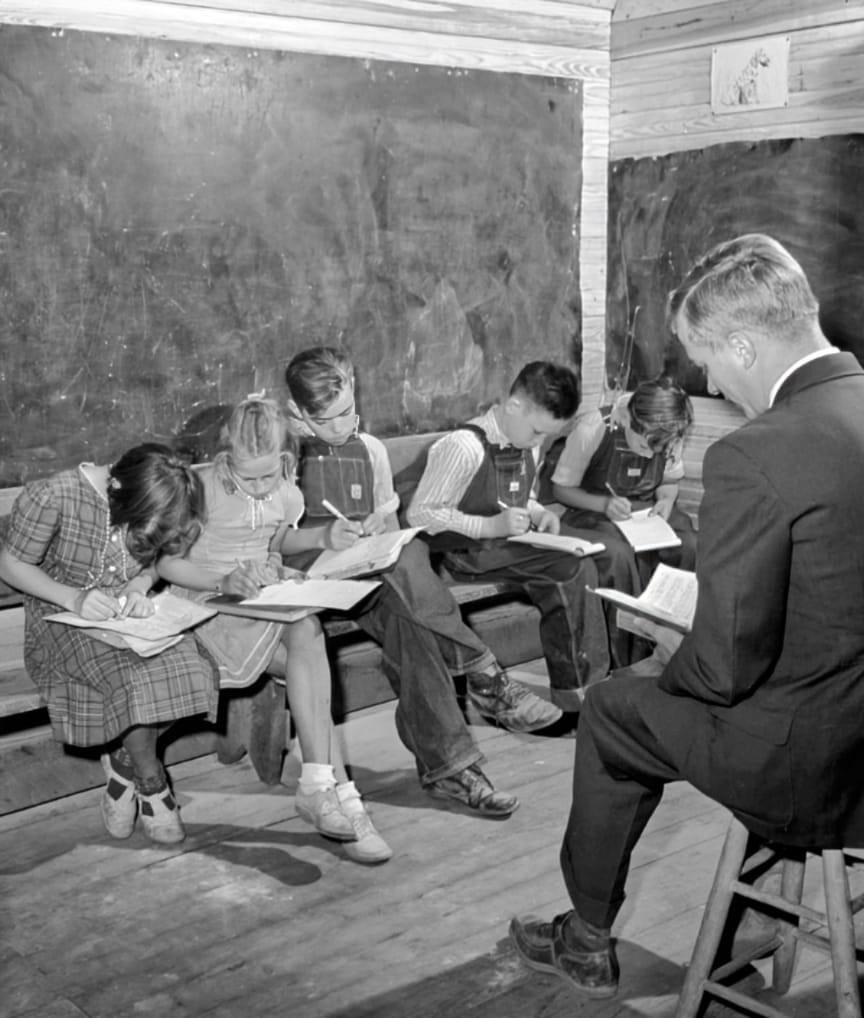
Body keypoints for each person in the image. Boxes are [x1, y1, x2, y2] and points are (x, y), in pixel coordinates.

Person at [509, 233, 864, 999]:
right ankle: (762, 916)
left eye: (706, 358)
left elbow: (724, 670)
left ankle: (584, 936)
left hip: (808, 763)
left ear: (743, 342)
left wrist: (678, 636)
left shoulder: (759, 449)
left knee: (612, 709)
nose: (707, 377)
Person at [284, 347, 563, 821]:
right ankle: (483, 676)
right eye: (327, 419)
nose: (343, 425)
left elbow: (392, 524)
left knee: (411, 608)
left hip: (368, 577)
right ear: (297, 414)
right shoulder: (285, 455)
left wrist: (377, 525)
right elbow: (267, 540)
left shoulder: (368, 449)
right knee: (409, 582)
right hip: (305, 580)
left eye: (349, 410)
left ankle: (456, 768)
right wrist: (321, 537)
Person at [157, 397, 391, 864]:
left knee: (307, 635)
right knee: (312, 669)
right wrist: (223, 580)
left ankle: (323, 788)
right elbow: (166, 561)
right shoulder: (201, 489)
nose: (262, 486)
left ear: (284, 460)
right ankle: (338, 796)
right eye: (250, 477)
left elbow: (277, 539)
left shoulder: (285, 490)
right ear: (226, 458)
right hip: (205, 606)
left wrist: (325, 538)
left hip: (257, 604)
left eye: (270, 474)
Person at [0, 444, 218, 845]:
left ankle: (123, 766)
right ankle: (152, 782)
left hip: (123, 619)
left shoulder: (150, 495)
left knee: (194, 667)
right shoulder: (56, 496)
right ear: (115, 486)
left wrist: (139, 584)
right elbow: (10, 564)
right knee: (135, 680)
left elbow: (153, 562)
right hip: (60, 621)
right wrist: (74, 598)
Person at [407, 361, 611, 712]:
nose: (539, 441)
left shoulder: (525, 442)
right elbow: (421, 514)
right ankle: (582, 699)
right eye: (536, 432)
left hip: (501, 546)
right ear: (513, 406)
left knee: (580, 563)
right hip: (458, 553)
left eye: (546, 436)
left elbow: (519, 497)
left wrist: (537, 513)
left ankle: (579, 693)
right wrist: (490, 527)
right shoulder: (464, 446)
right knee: (569, 570)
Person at [543, 377, 696, 666]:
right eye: (645, 445)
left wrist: (665, 500)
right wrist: (604, 503)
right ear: (628, 419)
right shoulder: (594, 428)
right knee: (618, 556)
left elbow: (669, 481)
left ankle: (674, 647)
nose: (652, 455)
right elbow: (561, 490)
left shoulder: (669, 433)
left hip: (645, 512)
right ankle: (629, 656)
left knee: (688, 544)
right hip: (592, 509)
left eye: (659, 451)